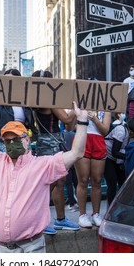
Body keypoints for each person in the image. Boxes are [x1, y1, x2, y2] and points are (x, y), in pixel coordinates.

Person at [0, 95, 88, 253]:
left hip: (31, 248)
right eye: (7, 141)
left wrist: (82, 120)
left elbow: (76, 153)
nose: (11, 143)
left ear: (27, 140)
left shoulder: (43, 165)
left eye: (16, 139)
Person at [31, 70, 79, 235]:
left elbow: (68, 126)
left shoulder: (42, 100)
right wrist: (76, 108)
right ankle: (40, 221)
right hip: (49, 142)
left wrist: (73, 113)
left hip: (53, 140)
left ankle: (60, 219)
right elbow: (67, 120)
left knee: (59, 181)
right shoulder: (48, 100)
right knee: (50, 183)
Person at [73, 110, 110, 228]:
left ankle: (96, 214)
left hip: (98, 141)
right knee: (83, 180)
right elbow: (70, 126)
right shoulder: (81, 104)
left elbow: (105, 130)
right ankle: (82, 215)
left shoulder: (106, 107)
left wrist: (94, 119)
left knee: (97, 181)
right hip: (82, 138)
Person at [0, 68, 37, 152]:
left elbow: (31, 123)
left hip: (22, 141)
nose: (8, 83)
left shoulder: (25, 100)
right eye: (6, 80)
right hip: (5, 142)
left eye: (12, 80)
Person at [104, 113, 129, 206]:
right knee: (112, 184)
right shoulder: (121, 129)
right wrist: (128, 156)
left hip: (119, 159)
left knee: (123, 183)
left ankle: (122, 208)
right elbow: (115, 152)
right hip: (108, 156)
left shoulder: (131, 132)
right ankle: (110, 211)